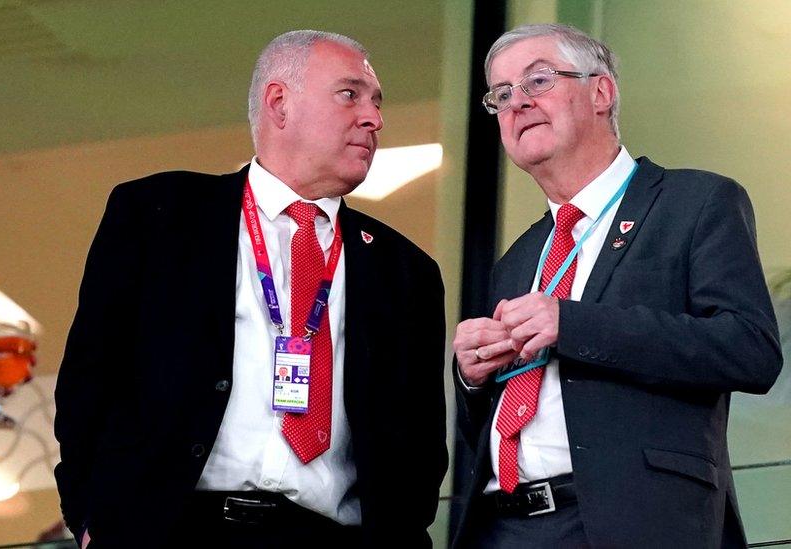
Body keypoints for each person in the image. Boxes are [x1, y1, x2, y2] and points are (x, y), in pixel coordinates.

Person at [54, 30, 447, 548]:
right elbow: (89, 379)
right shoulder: (159, 215)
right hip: (173, 530)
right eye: (350, 94)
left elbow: (419, 446)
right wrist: (90, 520)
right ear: (279, 103)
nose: (374, 118)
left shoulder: (405, 269)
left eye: (377, 102)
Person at [450, 23, 783, 548]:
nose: (518, 104)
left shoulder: (693, 204)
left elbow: (751, 350)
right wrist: (471, 381)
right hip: (502, 527)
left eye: (538, 81)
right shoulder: (517, 259)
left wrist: (572, 322)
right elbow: (496, 423)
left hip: (629, 523)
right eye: (503, 94)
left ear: (601, 91)